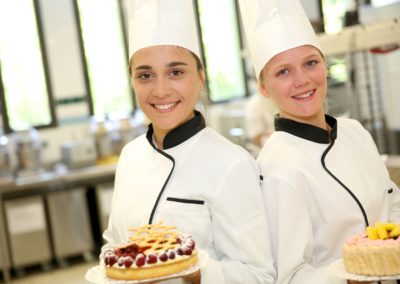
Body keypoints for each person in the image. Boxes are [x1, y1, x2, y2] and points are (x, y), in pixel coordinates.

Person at [101, 0, 275, 283]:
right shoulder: (130, 156)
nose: (160, 90)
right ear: (132, 82)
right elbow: (113, 242)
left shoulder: (231, 163)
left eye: (176, 72)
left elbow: (258, 275)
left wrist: (194, 271)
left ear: (200, 79)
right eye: (145, 75)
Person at [238, 0, 400, 283]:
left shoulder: (354, 132)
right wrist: (352, 275)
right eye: (283, 72)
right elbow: (290, 276)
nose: (302, 80)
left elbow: (392, 201)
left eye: (310, 63)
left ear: (325, 66)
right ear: (263, 86)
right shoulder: (275, 168)